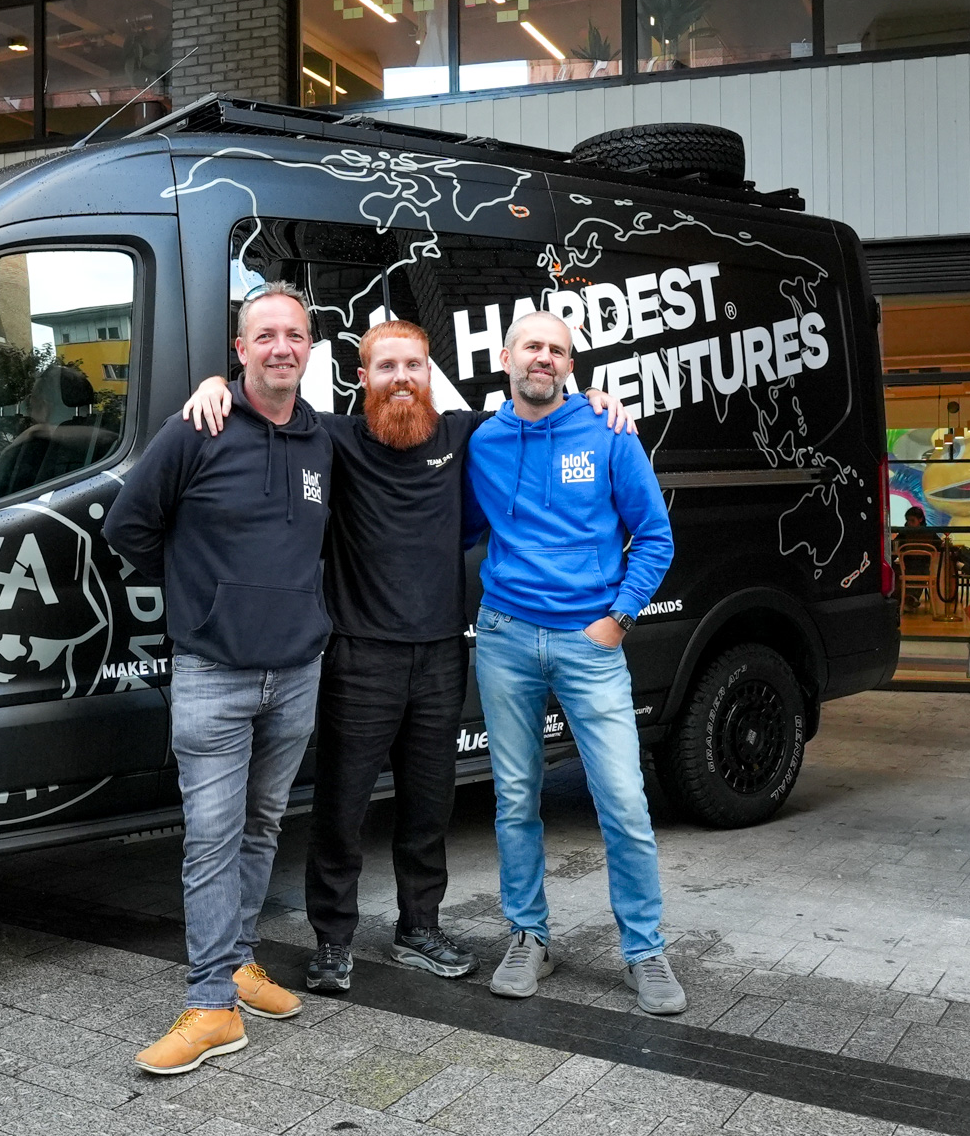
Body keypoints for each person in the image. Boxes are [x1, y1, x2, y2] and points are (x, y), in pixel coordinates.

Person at [180, 319, 632, 995]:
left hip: (442, 654)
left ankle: (418, 928)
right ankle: (333, 940)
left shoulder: (462, 435)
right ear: (362, 378)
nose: (400, 378)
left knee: (429, 804)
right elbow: (266, 402)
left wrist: (596, 396)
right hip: (359, 657)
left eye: (413, 366)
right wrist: (216, 384)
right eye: (386, 367)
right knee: (342, 808)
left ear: (430, 376)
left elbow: (537, 399)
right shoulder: (331, 441)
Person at [102, 282, 331, 1075]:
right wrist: (201, 590)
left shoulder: (321, 441)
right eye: (263, 335)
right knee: (209, 839)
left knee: (264, 825)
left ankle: (237, 963)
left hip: (297, 673)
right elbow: (126, 526)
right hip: (212, 673)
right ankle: (210, 1004)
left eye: (293, 336)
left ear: (309, 348)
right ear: (240, 351)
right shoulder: (196, 428)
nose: (280, 348)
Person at [464, 310, 686, 1015]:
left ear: (571, 366)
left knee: (622, 799)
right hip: (504, 637)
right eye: (533, 346)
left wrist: (617, 620)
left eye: (558, 350)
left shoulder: (609, 431)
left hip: (588, 646)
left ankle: (644, 950)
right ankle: (530, 936)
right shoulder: (482, 443)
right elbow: (459, 524)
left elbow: (654, 536)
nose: (545, 359)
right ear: (507, 357)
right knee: (514, 799)